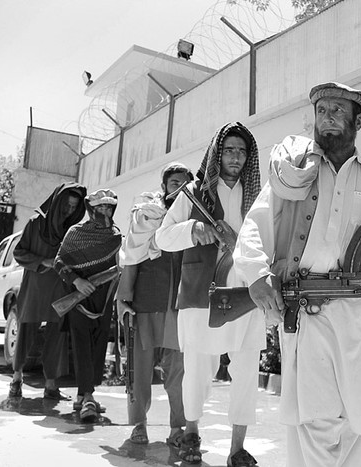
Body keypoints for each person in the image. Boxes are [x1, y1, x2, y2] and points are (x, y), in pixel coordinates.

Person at [233, 82, 361, 466]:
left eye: (337, 111)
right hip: (311, 316)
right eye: (321, 111)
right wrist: (256, 276)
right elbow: (255, 226)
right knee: (314, 421)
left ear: (358, 120)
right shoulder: (294, 174)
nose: (327, 119)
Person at [155, 122, 263, 467]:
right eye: (229, 150)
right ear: (218, 153)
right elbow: (162, 237)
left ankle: (237, 449)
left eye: (242, 151)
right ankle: (191, 434)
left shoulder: (259, 195)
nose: (236, 157)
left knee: (246, 370)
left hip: (248, 292)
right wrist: (195, 229)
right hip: (201, 293)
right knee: (198, 369)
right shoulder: (193, 193)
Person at [115, 162, 193, 446]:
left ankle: (177, 428)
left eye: (185, 184)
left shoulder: (193, 216)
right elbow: (131, 259)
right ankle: (139, 424)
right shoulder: (146, 217)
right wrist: (123, 299)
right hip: (144, 304)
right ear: (164, 186)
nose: (180, 189)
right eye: (175, 183)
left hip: (179, 307)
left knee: (178, 373)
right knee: (139, 370)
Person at [9, 182, 86, 400]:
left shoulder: (71, 231)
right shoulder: (36, 224)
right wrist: (43, 261)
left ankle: (51, 386)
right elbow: (19, 252)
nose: (69, 211)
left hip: (60, 289)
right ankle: (16, 379)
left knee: (57, 336)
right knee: (25, 332)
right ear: (57, 202)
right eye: (66, 206)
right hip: (34, 287)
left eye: (74, 207)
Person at [54, 188, 122, 422]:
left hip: (104, 300)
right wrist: (77, 281)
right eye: (100, 207)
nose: (105, 211)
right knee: (82, 344)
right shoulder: (75, 232)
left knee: (98, 346)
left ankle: (83, 395)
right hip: (79, 296)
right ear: (91, 209)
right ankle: (90, 397)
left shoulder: (116, 235)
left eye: (109, 207)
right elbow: (59, 262)